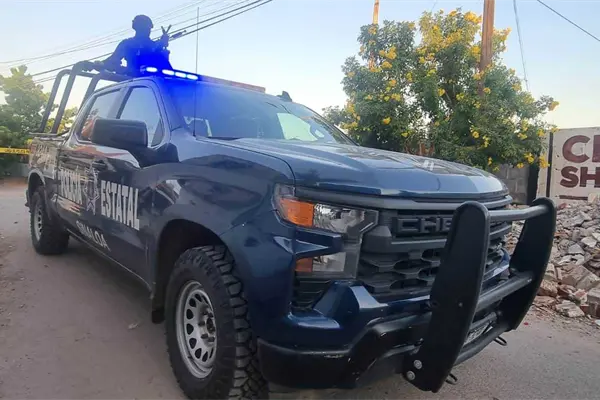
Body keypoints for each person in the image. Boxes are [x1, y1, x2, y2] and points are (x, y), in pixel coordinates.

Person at [99, 15, 171, 74]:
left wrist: (162, 44)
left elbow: (159, 58)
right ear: (136, 28)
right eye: (143, 28)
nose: (147, 31)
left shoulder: (154, 45)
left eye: (148, 29)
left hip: (154, 80)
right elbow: (113, 60)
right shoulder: (128, 43)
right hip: (133, 80)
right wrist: (99, 64)